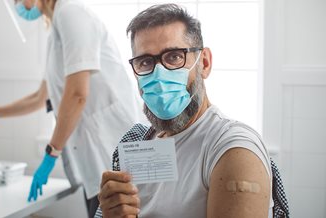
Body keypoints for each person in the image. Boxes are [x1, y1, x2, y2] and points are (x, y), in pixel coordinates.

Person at [96, 4, 289, 218]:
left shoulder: (232, 147)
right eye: (145, 62)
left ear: (204, 63)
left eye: (174, 57)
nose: (159, 77)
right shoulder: (137, 143)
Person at [0, 0, 141, 217]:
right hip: (98, 162)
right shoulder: (56, 28)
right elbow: (39, 98)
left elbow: (76, 94)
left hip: (114, 151)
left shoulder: (72, 13)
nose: (17, 4)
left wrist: (51, 153)